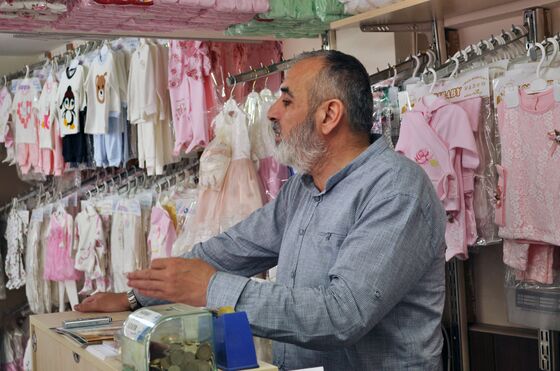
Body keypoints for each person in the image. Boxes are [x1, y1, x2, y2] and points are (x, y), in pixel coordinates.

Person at [76, 50, 447, 371]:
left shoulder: (396, 190)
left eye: (286, 101)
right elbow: (233, 249)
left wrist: (210, 289)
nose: (272, 111)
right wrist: (137, 298)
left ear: (329, 115)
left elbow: (340, 315)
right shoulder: (303, 189)